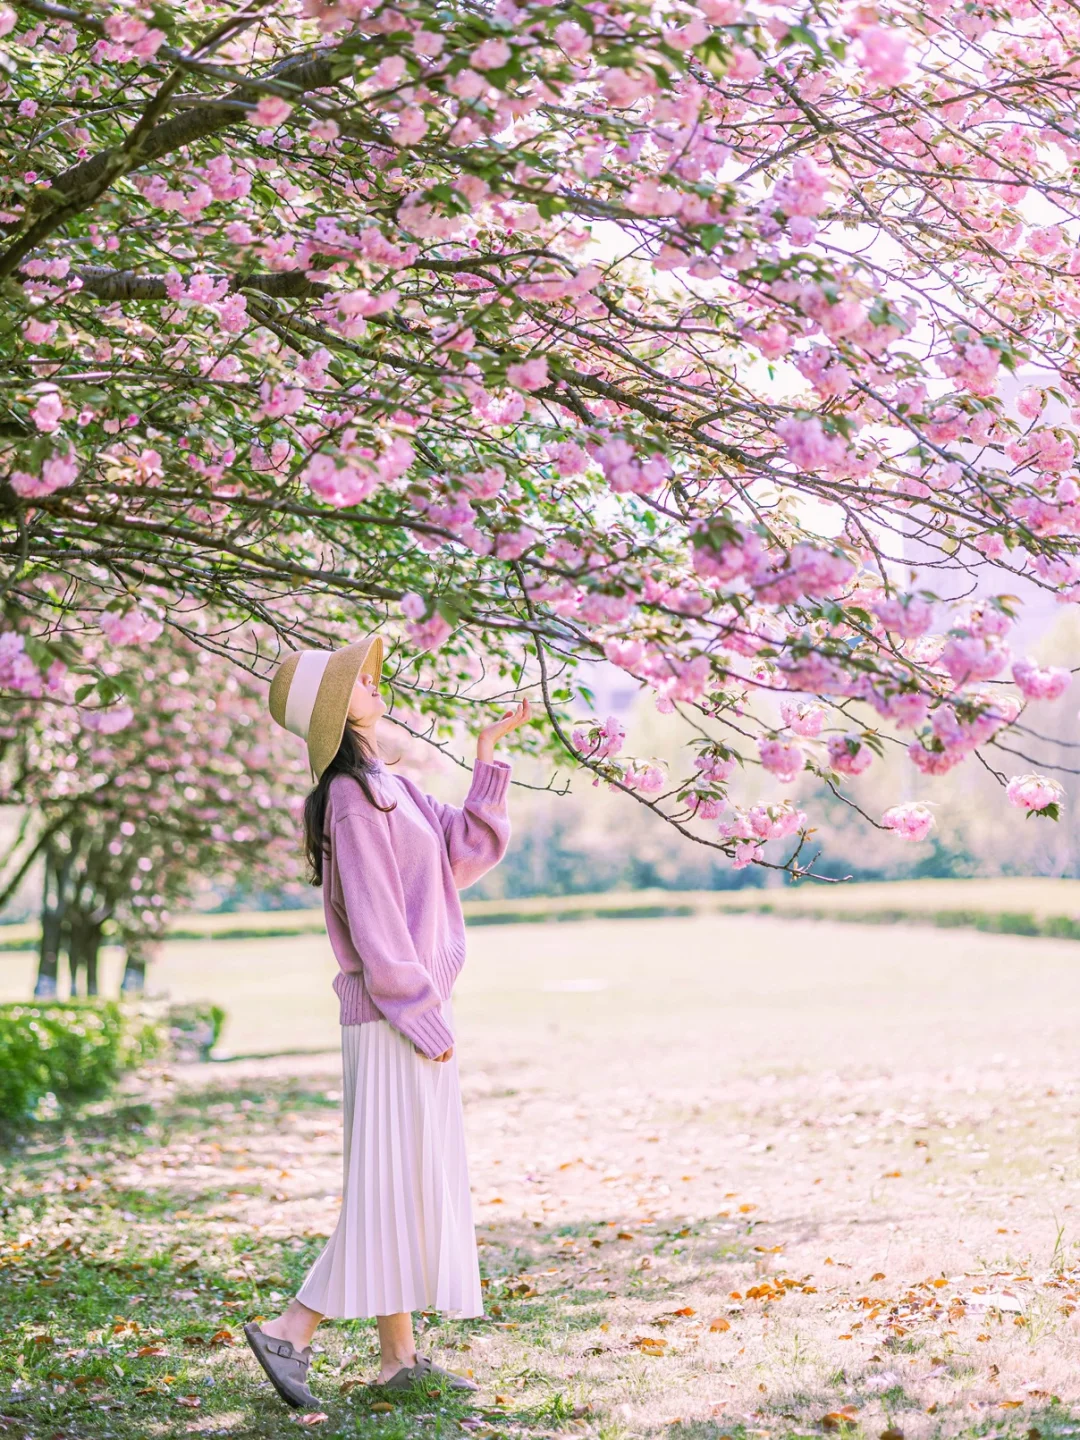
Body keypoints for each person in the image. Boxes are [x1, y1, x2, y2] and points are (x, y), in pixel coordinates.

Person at [244, 635, 530, 1409]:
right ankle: (291, 1329)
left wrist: (489, 758)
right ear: (338, 710)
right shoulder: (348, 797)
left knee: (397, 1183)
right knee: (386, 1187)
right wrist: (419, 1014)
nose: (375, 683)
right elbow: (374, 924)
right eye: (359, 681)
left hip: (412, 1010)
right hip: (394, 1015)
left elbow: (464, 853)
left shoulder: (392, 786)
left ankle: (398, 1360)